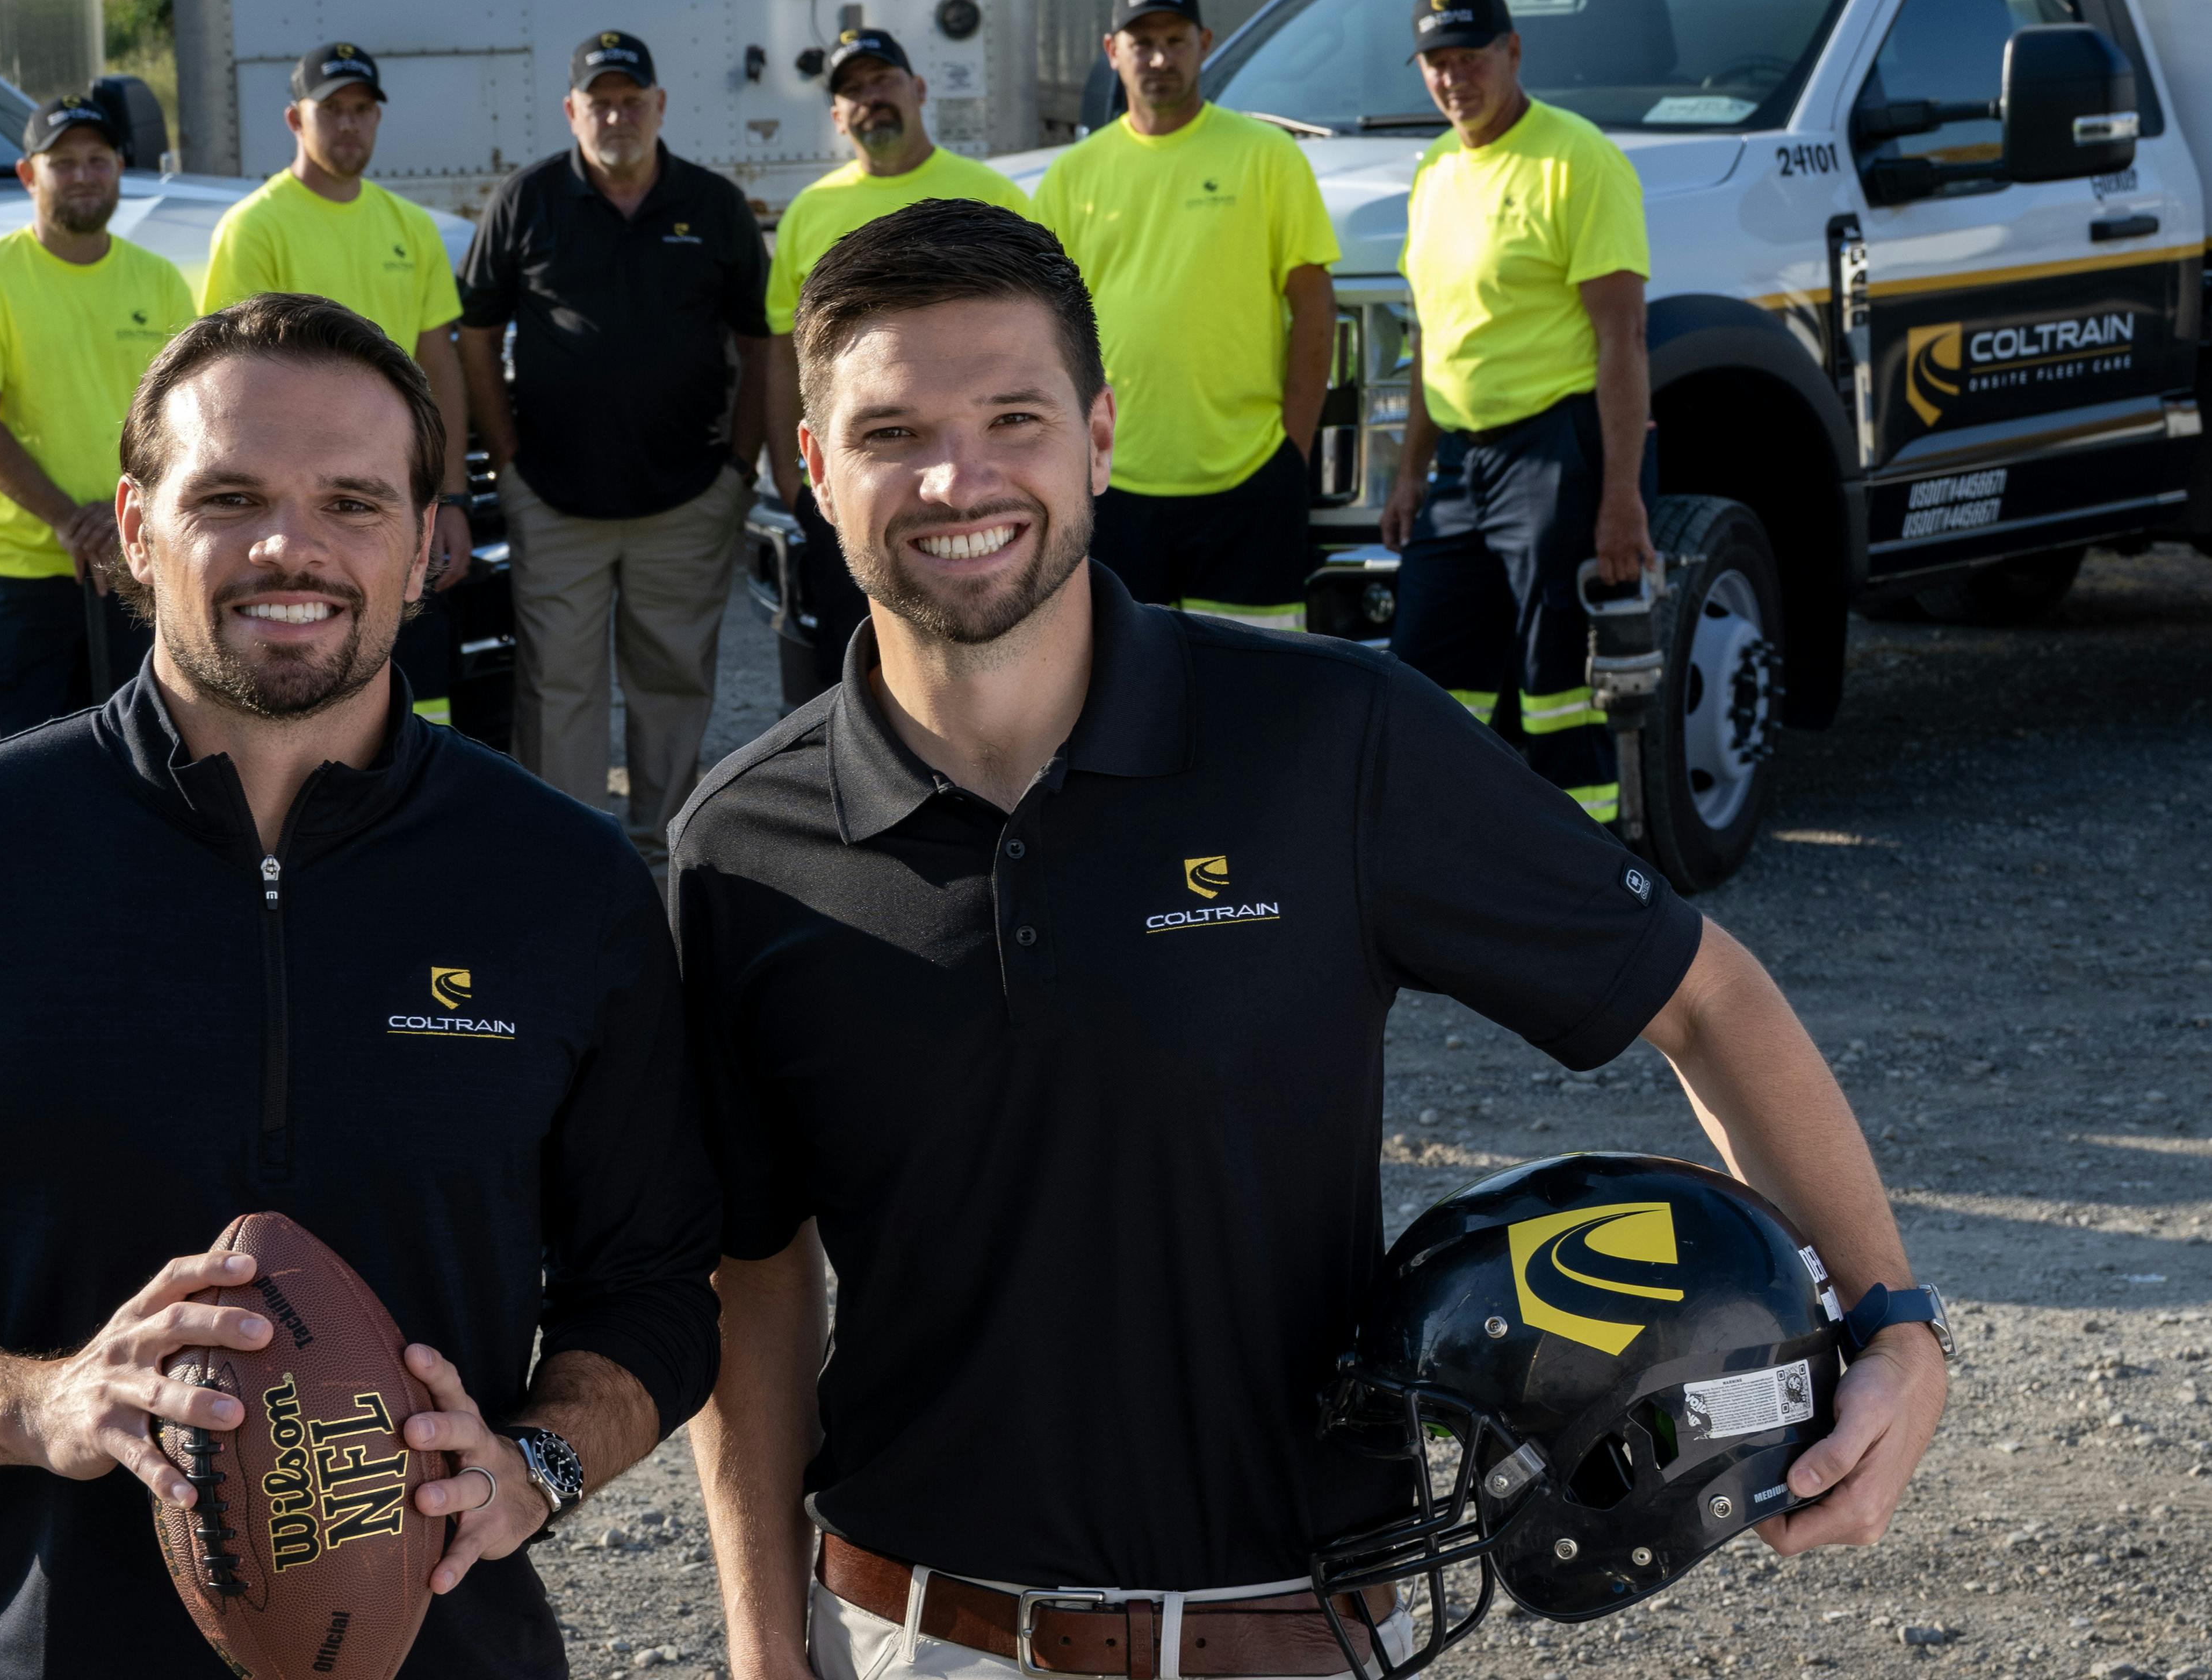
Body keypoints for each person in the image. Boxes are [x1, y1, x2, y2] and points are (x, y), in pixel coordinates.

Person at [672, 201, 1943, 1680]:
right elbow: (754, 1274)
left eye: (1012, 414)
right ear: (816, 468)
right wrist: (768, 1654)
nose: (959, 476)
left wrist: (1893, 1318)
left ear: (1097, 432)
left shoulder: (1328, 740)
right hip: (920, 1631)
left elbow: (1703, 994)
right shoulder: (743, 845)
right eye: (892, 431)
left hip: (1293, 1630)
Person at [0, 293, 722, 1679]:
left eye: (353, 502)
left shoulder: (566, 883)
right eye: (228, 495)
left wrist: (538, 1456)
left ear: (426, 548)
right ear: (133, 527)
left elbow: (654, 1290)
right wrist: (31, 1398)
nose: (290, 546)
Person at [457, 30, 772, 864]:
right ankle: (569, 859)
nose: (616, 113)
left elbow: (761, 342)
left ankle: (665, 853)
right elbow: (476, 337)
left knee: (672, 682)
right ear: (571, 111)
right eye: (599, 100)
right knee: (559, 690)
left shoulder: (712, 206)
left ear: (660, 106)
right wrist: (510, 464)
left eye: (632, 99)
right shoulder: (525, 202)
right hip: (554, 495)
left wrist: (740, 469)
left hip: (688, 495)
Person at [1378, 0, 1655, 823]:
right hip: (1461, 464)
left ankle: (1594, 876)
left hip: (1553, 453)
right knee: (1425, 678)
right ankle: (1449, 863)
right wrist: (1410, 472)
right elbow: (1434, 334)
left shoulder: (1577, 159)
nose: (1453, 78)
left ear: (1514, 52)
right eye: (1436, 63)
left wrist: (1620, 499)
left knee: (1557, 685)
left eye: (1470, 58)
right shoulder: (1435, 168)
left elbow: (1622, 341)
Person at [1032, 0, 1339, 629]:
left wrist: (1293, 450)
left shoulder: (1267, 155)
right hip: (1115, 477)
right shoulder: (1070, 176)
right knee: (1130, 688)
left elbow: (1314, 306)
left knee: (1254, 690)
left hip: (1251, 471)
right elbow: (1042, 328)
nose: (1160, 59)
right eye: (1142, 45)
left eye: (1175, 41)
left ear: (1204, 43)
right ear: (1111, 52)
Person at [203, 40, 473, 719]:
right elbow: (231, 384)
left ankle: (414, 817)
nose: (349, 124)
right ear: (297, 121)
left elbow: (440, 364)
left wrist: (454, 497)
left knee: (420, 692)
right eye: (333, 111)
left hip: (394, 501)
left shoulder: (408, 228)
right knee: (317, 668)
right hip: (305, 508)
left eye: (362, 110)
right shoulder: (254, 227)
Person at [762, 27, 1032, 691]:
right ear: (835, 116)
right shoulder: (810, 212)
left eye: (882, 81)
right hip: (856, 482)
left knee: (981, 650)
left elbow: (1045, 337)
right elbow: (779, 353)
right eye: (851, 90)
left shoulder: (992, 196)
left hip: (969, 474)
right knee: (848, 667)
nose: (870, 99)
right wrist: (788, 473)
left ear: (918, 89)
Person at [0, 89, 195, 742]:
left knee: (141, 769)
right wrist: (71, 520)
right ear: (29, 176)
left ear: (119, 168)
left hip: (136, 566)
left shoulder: (159, 280)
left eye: (98, 159)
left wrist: (125, 525)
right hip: (22, 576)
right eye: (63, 163)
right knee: (17, 779)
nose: (83, 175)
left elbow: (183, 427)